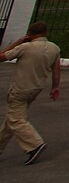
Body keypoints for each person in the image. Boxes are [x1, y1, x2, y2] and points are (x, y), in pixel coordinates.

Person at [0, 21, 61, 166]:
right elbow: (56, 70)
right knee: (12, 119)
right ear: (45, 32)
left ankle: (34, 145)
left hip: (20, 88)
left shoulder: (25, 47)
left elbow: (1, 57)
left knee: (16, 120)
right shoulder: (54, 48)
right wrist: (55, 87)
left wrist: (17, 42)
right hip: (35, 89)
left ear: (30, 34)